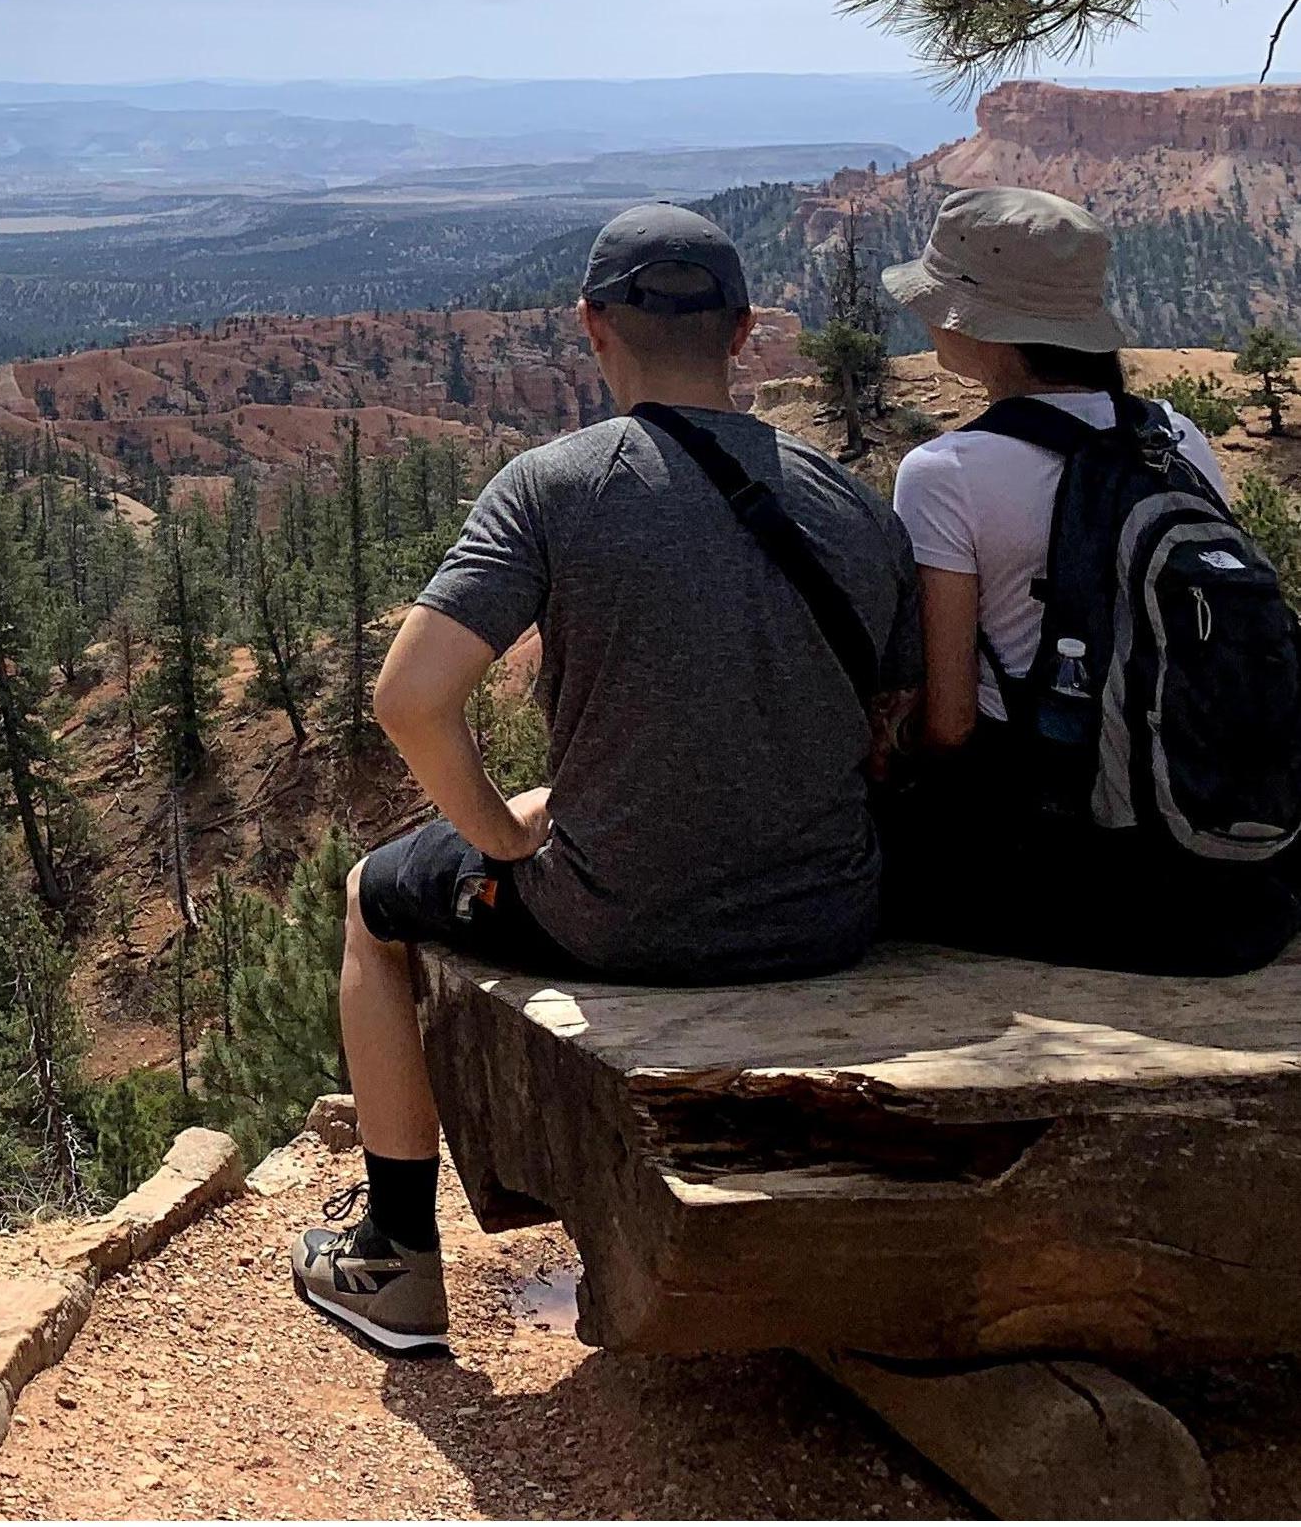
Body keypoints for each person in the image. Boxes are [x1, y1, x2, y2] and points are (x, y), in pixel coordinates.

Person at [291, 205, 916, 1358]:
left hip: (621, 919)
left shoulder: (557, 484)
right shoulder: (850, 505)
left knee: (370, 897)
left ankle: (393, 1256)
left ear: (591, 327)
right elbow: (893, 725)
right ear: (739, 333)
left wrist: (498, 833)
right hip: (830, 914)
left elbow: (407, 699)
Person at [881, 185, 1301, 975]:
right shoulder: (1174, 435)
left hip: (1059, 853)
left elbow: (951, 726)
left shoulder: (944, 473)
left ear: (981, 325)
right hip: (1212, 845)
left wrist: (889, 738)